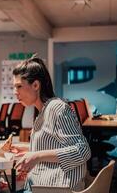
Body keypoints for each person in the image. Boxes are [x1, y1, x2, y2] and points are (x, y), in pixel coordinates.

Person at [13, 58, 91, 192]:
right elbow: (54, 145)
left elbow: (82, 151)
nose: (15, 92)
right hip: (43, 184)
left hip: (57, 188)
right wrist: (29, 152)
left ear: (36, 85)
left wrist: (37, 156)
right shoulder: (43, 111)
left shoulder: (57, 108)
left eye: (19, 86)